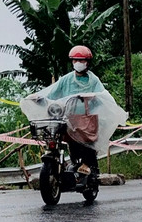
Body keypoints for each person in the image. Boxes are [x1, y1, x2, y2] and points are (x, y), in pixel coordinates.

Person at [33, 46, 107, 175]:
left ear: (87, 62)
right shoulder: (66, 79)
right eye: (75, 60)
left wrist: (90, 98)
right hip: (68, 118)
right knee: (70, 142)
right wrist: (39, 98)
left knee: (87, 142)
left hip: (87, 118)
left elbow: (102, 96)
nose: (78, 63)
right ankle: (71, 163)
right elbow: (52, 93)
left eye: (82, 61)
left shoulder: (93, 80)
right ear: (72, 62)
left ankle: (87, 165)